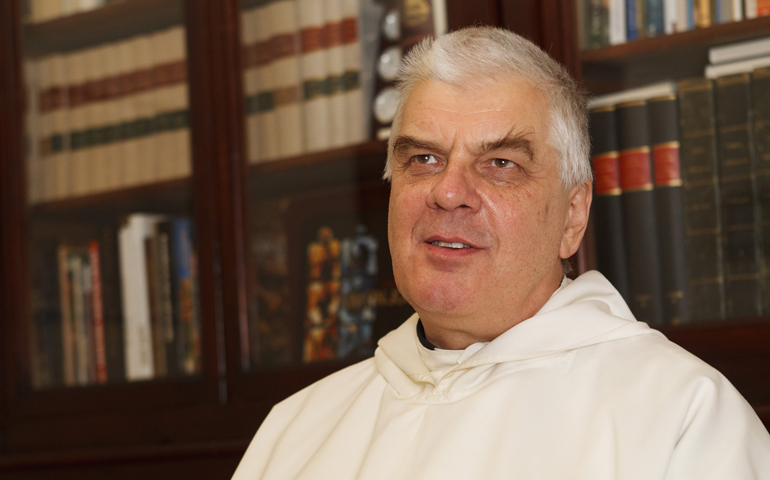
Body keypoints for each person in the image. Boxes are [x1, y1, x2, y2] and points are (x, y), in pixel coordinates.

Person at [232, 26, 770, 479]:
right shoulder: (295, 429)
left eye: (501, 164)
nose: (449, 191)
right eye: (423, 158)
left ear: (572, 216)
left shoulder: (684, 419)